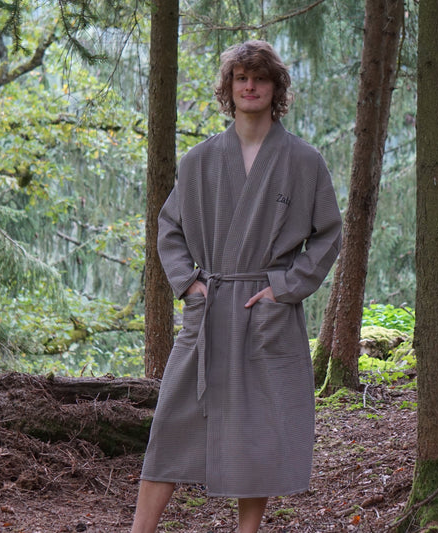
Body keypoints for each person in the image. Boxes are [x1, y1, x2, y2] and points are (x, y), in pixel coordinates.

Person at [131, 40, 342, 533]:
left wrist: (284, 287)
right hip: (209, 311)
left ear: (275, 87)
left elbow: (329, 234)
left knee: (259, 429)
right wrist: (189, 285)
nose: (250, 87)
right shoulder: (200, 160)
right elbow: (170, 229)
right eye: (241, 78)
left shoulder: (304, 161)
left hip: (265, 309)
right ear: (228, 89)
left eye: (260, 78)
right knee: (171, 424)